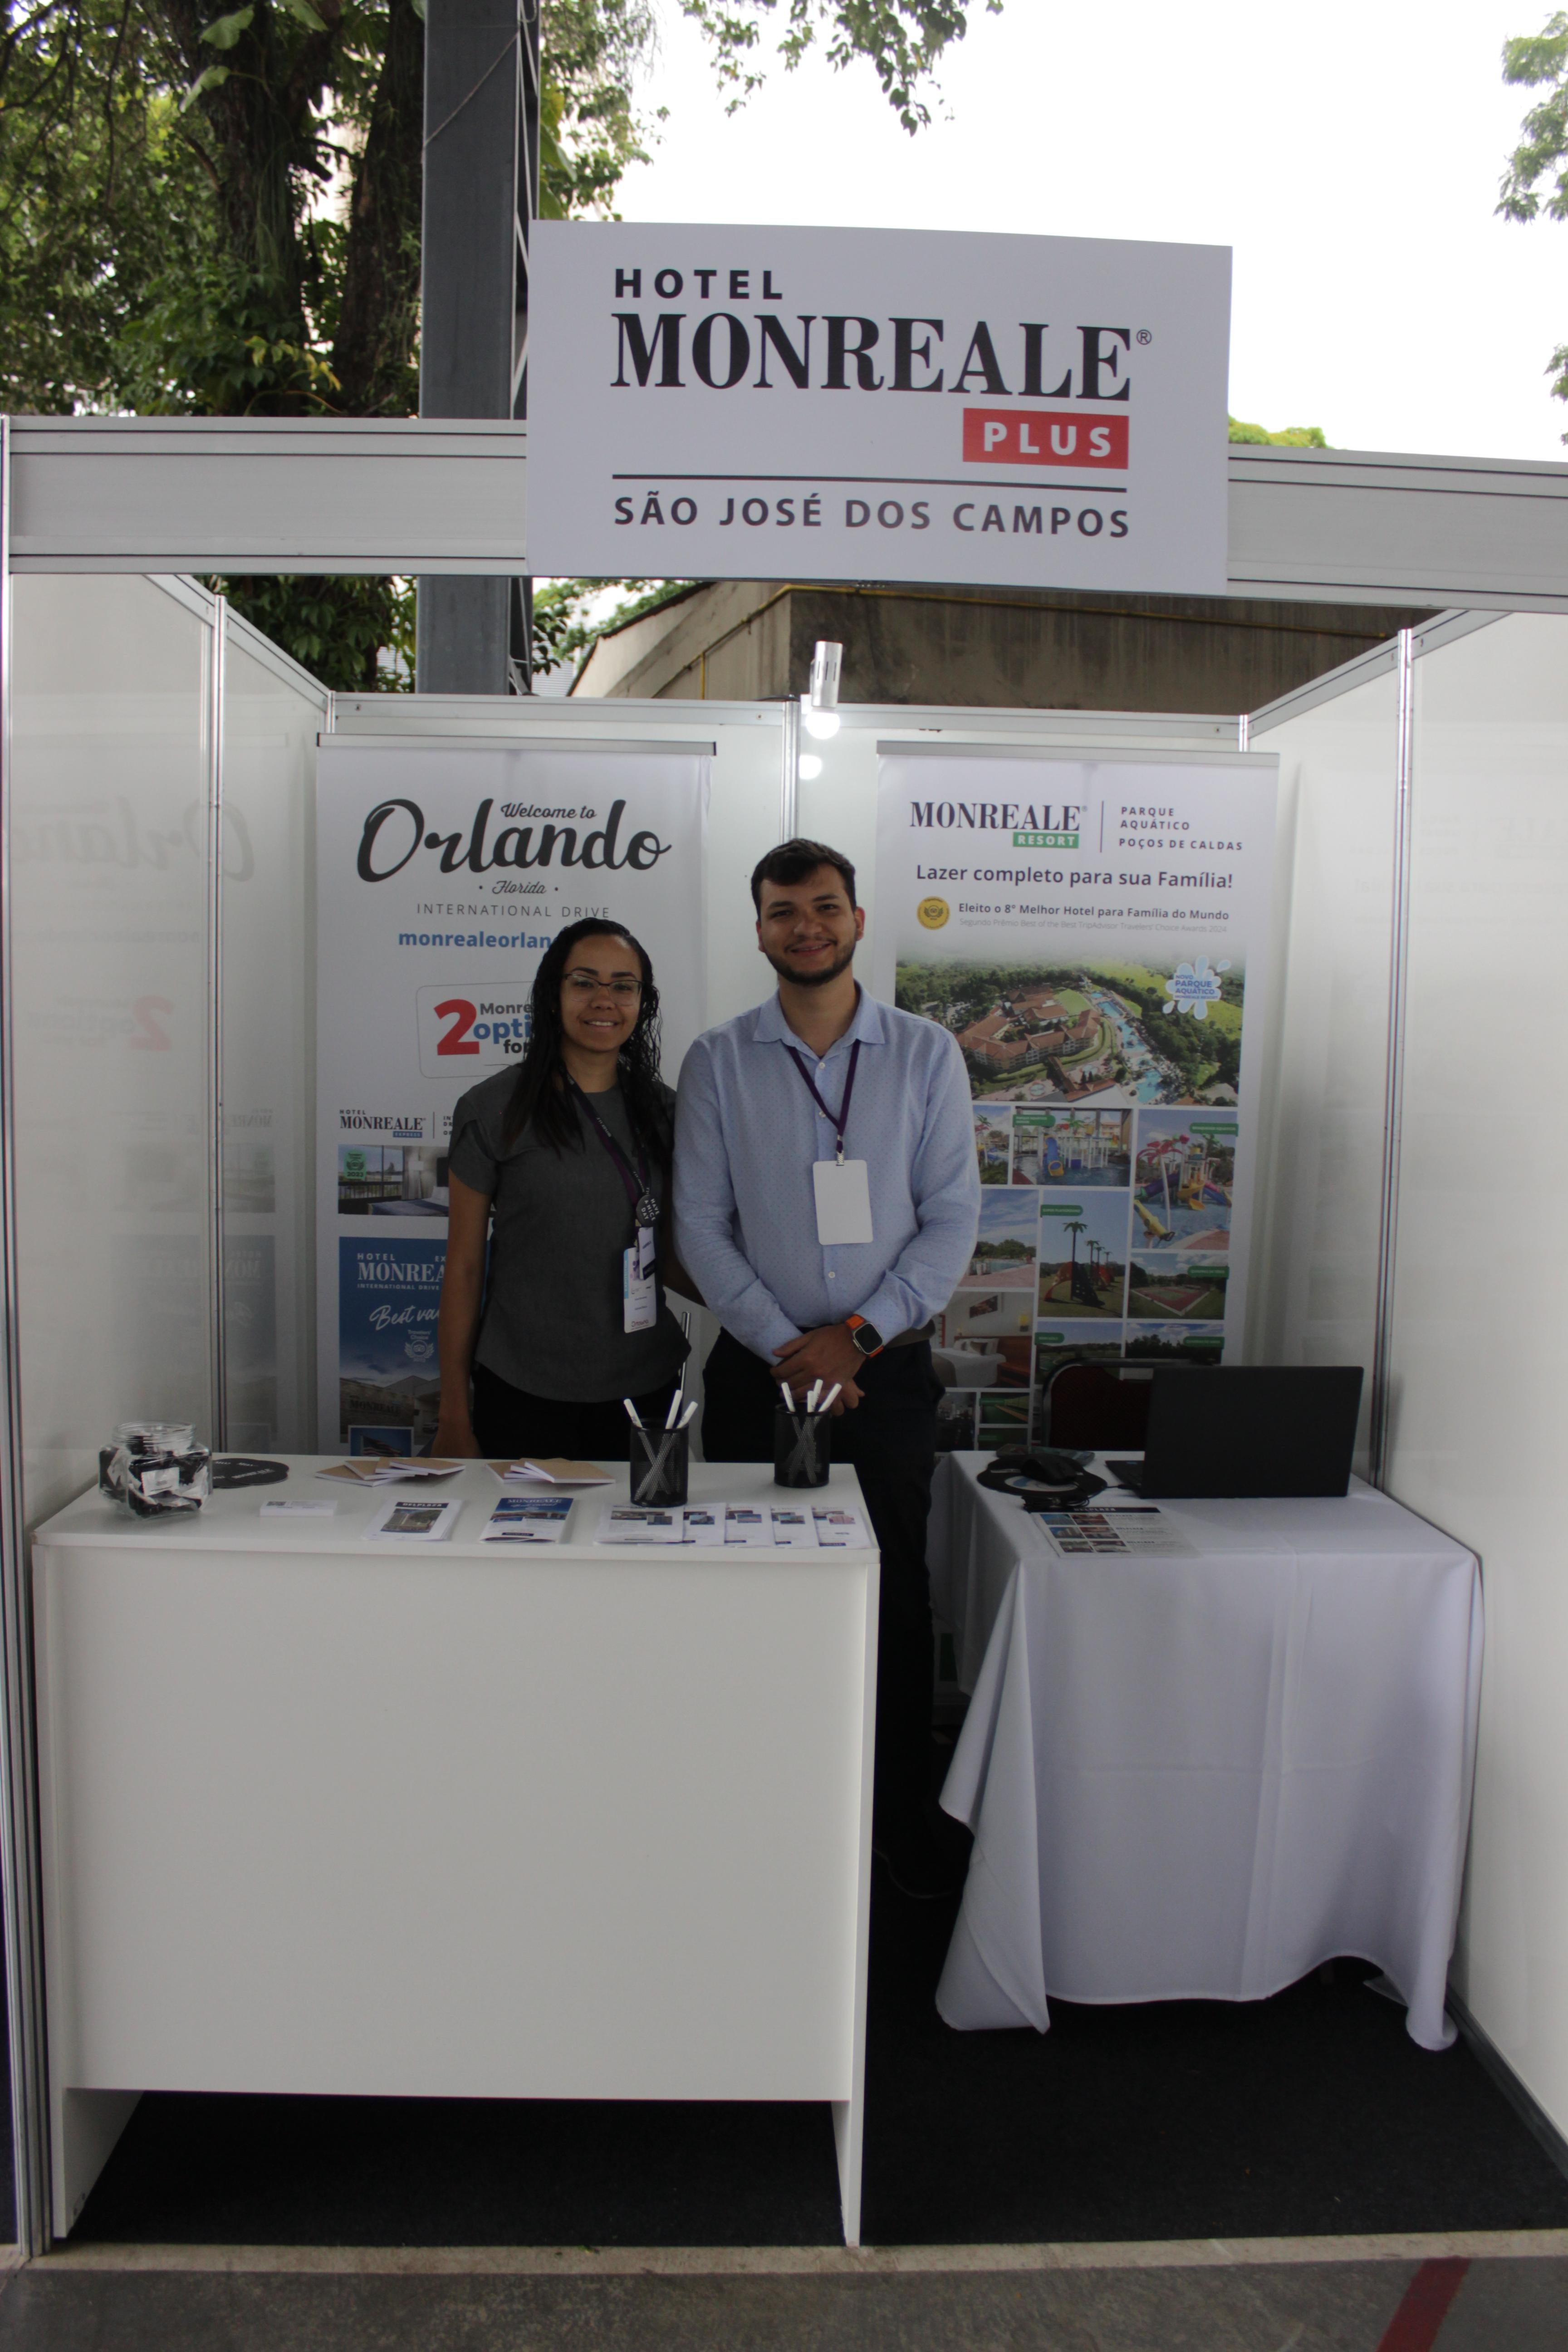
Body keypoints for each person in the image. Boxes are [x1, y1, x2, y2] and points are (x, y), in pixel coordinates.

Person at [673, 838, 980, 1897]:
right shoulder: (718, 1059)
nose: (804, 926)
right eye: (781, 911)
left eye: (822, 906)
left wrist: (854, 1337)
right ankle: (754, 1810)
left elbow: (952, 1217)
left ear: (855, 918)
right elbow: (698, 1222)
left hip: (881, 1374)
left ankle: (892, 1826)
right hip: (756, 1373)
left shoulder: (925, 1053)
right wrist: (784, 1345)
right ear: (758, 928)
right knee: (752, 1588)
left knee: (889, 1594)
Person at [433, 918, 690, 1462]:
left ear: (643, 1003)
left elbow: (674, 1255)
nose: (604, 1000)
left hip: (644, 1390)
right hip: (521, 1392)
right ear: (553, 994)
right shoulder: (493, 1110)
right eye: (584, 982)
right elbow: (464, 1269)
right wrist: (454, 1413)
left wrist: (768, 1323)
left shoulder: (668, 1112)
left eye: (623, 986)